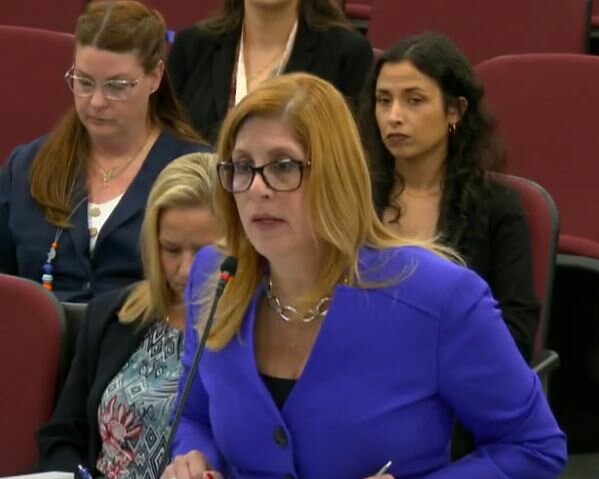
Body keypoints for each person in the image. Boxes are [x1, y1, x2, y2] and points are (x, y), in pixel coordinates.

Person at [162, 73, 566, 479]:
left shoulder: (439, 296)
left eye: (283, 166)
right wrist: (197, 460)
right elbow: (194, 416)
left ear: (336, 174)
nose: (257, 188)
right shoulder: (216, 277)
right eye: (243, 166)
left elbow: (534, 447)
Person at [0, 0, 210, 302]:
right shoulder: (27, 166)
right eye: (84, 82)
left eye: (117, 86)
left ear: (154, 77)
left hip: (141, 342)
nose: (96, 101)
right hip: (37, 342)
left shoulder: (196, 173)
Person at [37, 152, 221, 478]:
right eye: (172, 249)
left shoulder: (256, 331)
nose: (187, 269)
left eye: (205, 252)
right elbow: (64, 435)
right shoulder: (112, 314)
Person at [361, 31, 539, 362]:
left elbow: (517, 335)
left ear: (455, 111)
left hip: (454, 382)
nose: (394, 116)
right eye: (384, 100)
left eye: (414, 100)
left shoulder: (498, 208)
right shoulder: (355, 197)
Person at [167, 0, 373, 143]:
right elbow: (164, 138)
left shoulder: (347, 54)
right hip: (200, 198)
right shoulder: (192, 46)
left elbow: (348, 158)